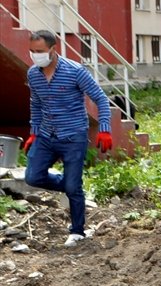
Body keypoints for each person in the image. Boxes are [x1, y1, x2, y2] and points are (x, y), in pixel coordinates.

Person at [23, 30, 114, 247]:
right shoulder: (33, 74)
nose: (36, 55)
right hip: (46, 135)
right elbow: (35, 103)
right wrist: (34, 132)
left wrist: (104, 129)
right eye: (32, 51)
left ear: (53, 49)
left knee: (74, 186)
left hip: (73, 136)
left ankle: (77, 231)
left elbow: (101, 99)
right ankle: (72, 187)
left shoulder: (74, 71)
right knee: (33, 178)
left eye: (40, 51)